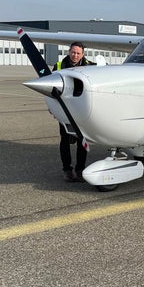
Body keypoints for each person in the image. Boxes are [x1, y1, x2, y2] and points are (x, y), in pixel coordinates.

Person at [53, 42, 96, 182]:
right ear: (68, 52)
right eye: (73, 52)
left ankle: (80, 169)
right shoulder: (59, 66)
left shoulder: (91, 66)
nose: (75, 55)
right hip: (64, 110)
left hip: (81, 110)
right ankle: (67, 170)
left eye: (78, 53)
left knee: (81, 140)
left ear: (82, 54)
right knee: (65, 140)